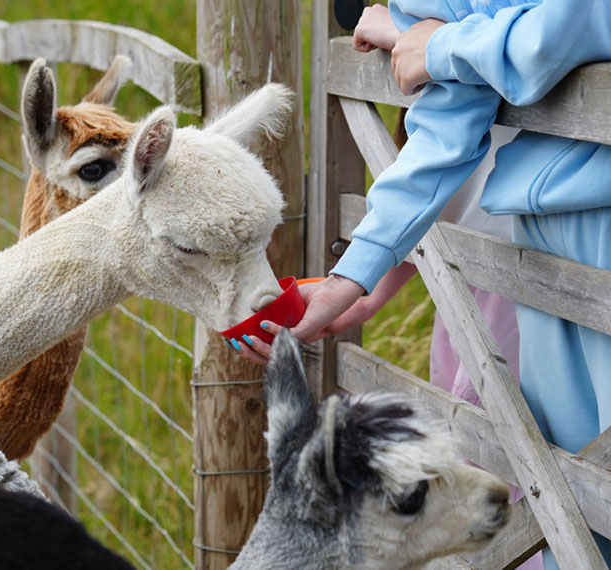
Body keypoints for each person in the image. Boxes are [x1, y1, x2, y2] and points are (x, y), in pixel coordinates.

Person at [233, 1, 611, 567]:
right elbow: (446, 127)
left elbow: (573, 26)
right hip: (536, 243)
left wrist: (440, 45)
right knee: (563, 492)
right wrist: (357, 275)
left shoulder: (445, 35)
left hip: (540, 244)